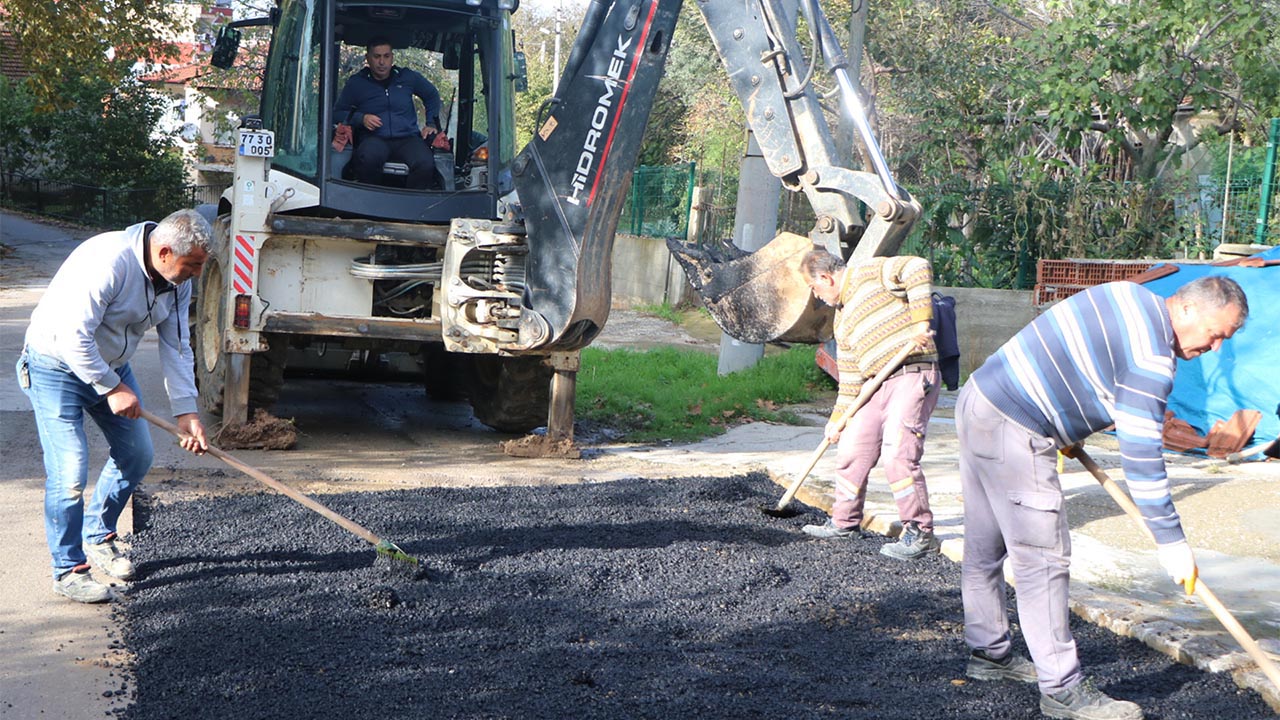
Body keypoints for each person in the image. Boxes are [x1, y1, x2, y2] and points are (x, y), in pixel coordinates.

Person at [957, 276, 1248, 720]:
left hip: (982, 398)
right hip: (1015, 428)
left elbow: (1079, 357)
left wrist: (1067, 425)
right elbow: (1142, 457)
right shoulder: (1153, 358)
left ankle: (989, 655)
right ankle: (1062, 691)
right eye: (1216, 335)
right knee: (1043, 561)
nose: (1215, 349)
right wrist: (1171, 542)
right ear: (1187, 309)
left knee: (984, 546)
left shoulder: (1126, 293)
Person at [17, 209, 213, 604]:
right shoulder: (108, 261)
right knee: (70, 470)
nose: (195, 275)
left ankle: (98, 534)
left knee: (137, 453)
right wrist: (111, 388)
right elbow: (73, 337)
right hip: (55, 365)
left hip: (110, 366)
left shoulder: (178, 282)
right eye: (192, 266)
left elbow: (177, 345)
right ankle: (68, 569)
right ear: (163, 253)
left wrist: (186, 412)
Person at [798, 248, 943, 561]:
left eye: (814, 288)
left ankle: (920, 533)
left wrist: (921, 323)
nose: (817, 296)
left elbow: (918, 266)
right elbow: (850, 379)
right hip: (873, 385)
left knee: (898, 454)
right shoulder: (842, 319)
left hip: (911, 373)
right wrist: (837, 419)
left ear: (825, 276)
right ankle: (844, 522)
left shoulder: (872, 271)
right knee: (852, 450)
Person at [334, 37, 444, 189]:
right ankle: (370, 205)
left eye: (386, 56)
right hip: (374, 138)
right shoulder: (357, 83)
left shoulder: (407, 77)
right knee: (367, 159)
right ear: (368, 58)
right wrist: (362, 118)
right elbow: (338, 112)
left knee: (425, 162)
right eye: (377, 56)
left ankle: (410, 206)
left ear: (392, 57)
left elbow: (432, 95)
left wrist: (431, 123)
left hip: (407, 138)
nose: (382, 62)